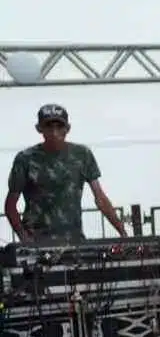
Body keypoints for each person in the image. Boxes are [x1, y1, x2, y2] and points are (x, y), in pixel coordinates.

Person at [5, 103, 127, 241]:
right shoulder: (25, 159)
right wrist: (24, 238)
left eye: (59, 127)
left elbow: (100, 198)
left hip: (74, 241)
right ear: (39, 129)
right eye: (49, 127)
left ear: (67, 129)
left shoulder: (82, 155)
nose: (54, 132)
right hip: (37, 242)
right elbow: (10, 205)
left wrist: (122, 232)